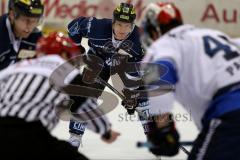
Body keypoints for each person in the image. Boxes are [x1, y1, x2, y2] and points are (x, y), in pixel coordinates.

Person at [139, 2, 240, 160]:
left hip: (230, 112)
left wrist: (163, 129)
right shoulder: (213, 34)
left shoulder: (161, 46)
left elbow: (160, 77)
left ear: (154, 30)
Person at [66, 2, 147, 149]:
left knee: (142, 99)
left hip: (125, 66)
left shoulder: (140, 40)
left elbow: (139, 69)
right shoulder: (96, 27)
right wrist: (76, 48)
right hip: (98, 61)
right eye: (120, 24)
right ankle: (75, 136)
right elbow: (74, 27)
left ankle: (154, 137)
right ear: (113, 23)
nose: (123, 30)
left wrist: (132, 94)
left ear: (133, 25)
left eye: (127, 25)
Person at [0, 32, 92, 160]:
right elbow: (86, 105)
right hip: (27, 135)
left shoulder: (16, 68)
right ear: (63, 55)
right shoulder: (65, 73)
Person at [0, 0, 43, 70]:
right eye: (25, 20)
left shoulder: (36, 36)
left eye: (35, 21)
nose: (29, 26)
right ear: (12, 15)